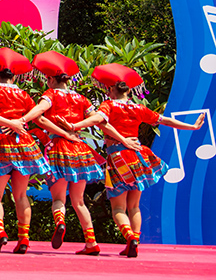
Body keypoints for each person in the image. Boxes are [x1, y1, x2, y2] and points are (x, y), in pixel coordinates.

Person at [65, 63, 205, 258]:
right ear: (128, 90)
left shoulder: (109, 105)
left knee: (118, 207)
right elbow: (165, 120)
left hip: (118, 158)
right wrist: (191, 127)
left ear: (111, 89)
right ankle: (135, 241)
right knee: (134, 206)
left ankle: (129, 236)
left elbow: (97, 119)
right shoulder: (138, 108)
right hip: (139, 158)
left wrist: (74, 125)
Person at [18, 51, 110, 255]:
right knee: (79, 200)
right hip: (80, 149)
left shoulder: (51, 95)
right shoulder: (81, 98)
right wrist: (75, 127)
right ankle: (91, 243)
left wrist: (23, 120)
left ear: (50, 79)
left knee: (59, 198)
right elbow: (98, 119)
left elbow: (39, 113)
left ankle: (60, 221)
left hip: (59, 148)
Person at [0, 47, 50, 255]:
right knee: (20, 195)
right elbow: (39, 114)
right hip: (24, 143)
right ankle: (24, 239)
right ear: (14, 75)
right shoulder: (23, 94)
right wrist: (21, 121)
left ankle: (0, 232)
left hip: (0, 142)